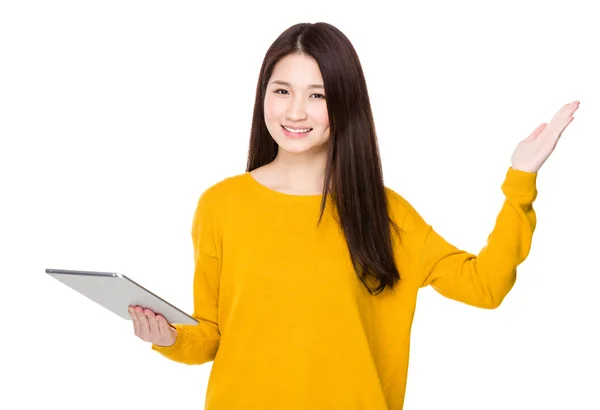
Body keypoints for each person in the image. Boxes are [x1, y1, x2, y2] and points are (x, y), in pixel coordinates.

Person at [127, 22, 579, 409]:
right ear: (263, 95)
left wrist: (521, 180)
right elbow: (210, 336)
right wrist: (168, 337)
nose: (296, 111)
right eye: (282, 90)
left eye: (318, 95)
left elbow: (485, 285)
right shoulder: (220, 205)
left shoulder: (382, 213)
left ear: (345, 103)